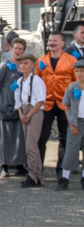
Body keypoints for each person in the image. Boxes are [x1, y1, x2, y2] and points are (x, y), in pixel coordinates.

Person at [35, 31, 77, 177]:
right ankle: (37, 171)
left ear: (62, 43)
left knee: (64, 139)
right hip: (46, 104)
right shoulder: (42, 60)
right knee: (41, 138)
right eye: (50, 40)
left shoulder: (71, 60)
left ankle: (62, 172)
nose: (52, 43)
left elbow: (76, 82)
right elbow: (36, 82)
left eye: (55, 41)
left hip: (65, 105)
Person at [0, 38, 28, 177]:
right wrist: (4, 96)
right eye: (16, 48)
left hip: (21, 106)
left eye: (21, 49)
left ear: (24, 51)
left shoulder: (25, 66)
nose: (18, 51)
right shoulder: (4, 66)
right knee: (5, 135)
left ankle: (19, 164)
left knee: (20, 135)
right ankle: (4, 165)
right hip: (7, 105)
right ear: (11, 49)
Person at [14, 53, 46, 188]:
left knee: (31, 145)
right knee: (29, 145)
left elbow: (40, 100)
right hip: (25, 111)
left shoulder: (37, 80)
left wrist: (30, 114)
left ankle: (34, 175)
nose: (23, 66)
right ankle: (36, 176)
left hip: (35, 111)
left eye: (26, 63)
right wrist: (21, 114)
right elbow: (18, 101)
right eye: (21, 63)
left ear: (33, 65)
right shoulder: (20, 81)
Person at [56, 60, 84, 190]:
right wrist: (71, 123)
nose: (79, 74)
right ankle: (64, 178)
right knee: (71, 150)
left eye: (82, 71)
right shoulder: (73, 87)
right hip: (76, 121)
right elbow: (66, 105)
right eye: (77, 71)